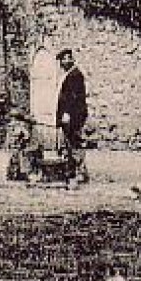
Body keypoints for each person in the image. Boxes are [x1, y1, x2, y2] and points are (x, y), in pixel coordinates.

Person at [56, 48, 89, 184]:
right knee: (70, 144)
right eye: (62, 60)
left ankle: (80, 172)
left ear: (70, 60)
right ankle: (73, 170)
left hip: (74, 116)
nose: (63, 62)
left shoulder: (75, 75)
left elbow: (73, 98)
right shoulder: (69, 75)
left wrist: (67, 113)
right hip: (70, 116)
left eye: (65, 59)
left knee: (75, 143)